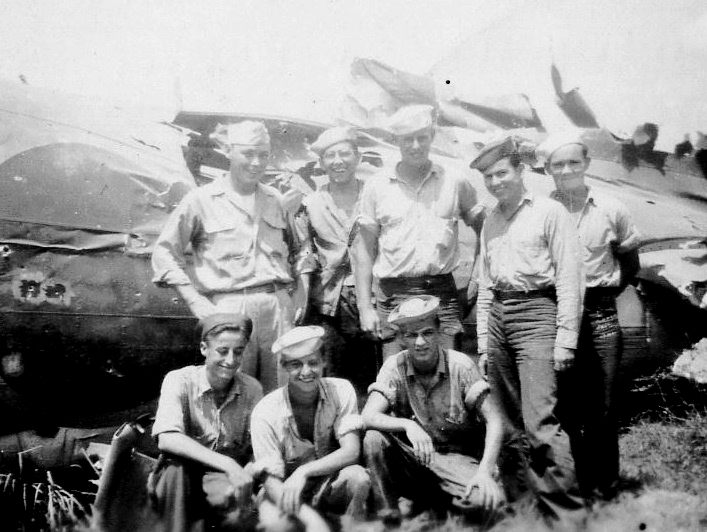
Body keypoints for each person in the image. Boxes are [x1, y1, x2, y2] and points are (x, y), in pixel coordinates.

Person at [471, 137, 586, 521]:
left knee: (541, 422)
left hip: (538, 312)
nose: (496, 182)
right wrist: (485, 343)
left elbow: (570, 278)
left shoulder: (550, 212)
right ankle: (524, 509)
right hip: (499, 316)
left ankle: (566, 517)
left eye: (502, 173)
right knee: (508, 421)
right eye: (488, 176)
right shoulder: (491, 219)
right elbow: (486, 283)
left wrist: (566, 340)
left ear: (521, 171)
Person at [152, 120, 308, 392]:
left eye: (263, 154)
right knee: (231, 392)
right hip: (228, 307)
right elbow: (165, 252)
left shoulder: (275, 199)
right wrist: (195, 301)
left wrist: (300, 295)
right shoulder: (200, 200)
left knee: (281, 395)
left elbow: (302, 250)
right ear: (229, 152)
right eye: (248, 153)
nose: (256, 162)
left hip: (277, 307)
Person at [538, 132, 641, 499]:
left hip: (600, 314)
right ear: (547, 169)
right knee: (563, 403)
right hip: (555, 313)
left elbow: (630, 262)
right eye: (557, 164)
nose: (566, 171)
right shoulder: (540, 210)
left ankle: (606, 484)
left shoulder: (611, 209)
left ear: (586, 165)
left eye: (573, 163)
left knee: (604, 402)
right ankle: (574, 482)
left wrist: (605, 293)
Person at [354, 104, 484, 360]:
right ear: (396, 140)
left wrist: (477, 278)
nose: (415, 145)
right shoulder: (377, 185)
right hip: (393, 294)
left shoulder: (454, 181)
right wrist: (364, 307)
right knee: (397, 380)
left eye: (421, 137)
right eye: (407, 139)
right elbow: (364, 249)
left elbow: (486, 229)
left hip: (441, 292)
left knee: (448, 375)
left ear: (432, 136)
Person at [361, 295, 505, 521]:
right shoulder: (394, 366)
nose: (420, 342)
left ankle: (433, 506)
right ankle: (389, 518)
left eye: (427, 332)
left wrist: (485, 472)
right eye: (411, 335)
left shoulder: (460, 365)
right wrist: (407, 424)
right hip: (414, 459)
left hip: (455, 458)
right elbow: (368, 416)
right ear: (401, 339)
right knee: (373, 438)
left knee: (486, 502)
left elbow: (495, 421)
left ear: (438, 332)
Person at [149, 313, 263, 532]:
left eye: (238, 352)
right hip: (179, 476)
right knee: (175, 471)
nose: (231, 361)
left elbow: (258, 449)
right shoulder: (179, 380)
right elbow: (167, 437)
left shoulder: (252, 389)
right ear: (204, 349)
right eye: (222, 351)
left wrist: (245, 474)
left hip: (221, 480)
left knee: (243, 514)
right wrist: (228, 463)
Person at [249, 326, 370, 521]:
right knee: (276, 524)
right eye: (296, 364)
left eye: (313, 363)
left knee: (358, 478)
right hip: (284, 489)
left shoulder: (341, 390)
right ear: (283, 366)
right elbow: (270, 481)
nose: (306, 372)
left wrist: (304, 471)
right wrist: (311, 520)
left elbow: (351, 451)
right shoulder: (265, 411)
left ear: (324, 362)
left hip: (328, 482)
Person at [294, 126, 378, 392]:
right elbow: (305, 254)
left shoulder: (374, 196)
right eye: (331, 156)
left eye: (344, 154)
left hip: (374, 299)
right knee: (333, 378)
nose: (338, 161)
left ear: (358, 157)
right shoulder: (310, 204)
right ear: (321, 163)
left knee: (376, 376)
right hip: (329, 304)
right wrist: (302, 298)